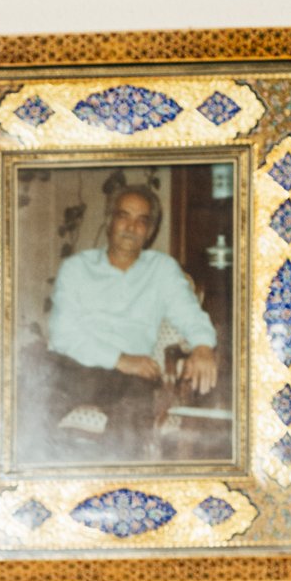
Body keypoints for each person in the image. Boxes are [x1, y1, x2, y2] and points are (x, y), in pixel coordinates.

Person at [43, 186, 217, 445]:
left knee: (136, 406)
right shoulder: (77, 268)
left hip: (128, 380)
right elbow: (61, 332)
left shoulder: (162, 270)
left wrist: (203, 346)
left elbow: (189, 313)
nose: (131, 227)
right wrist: (119, 359)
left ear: (149, 231)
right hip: (73, 367)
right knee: (28, 385)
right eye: (124, 216)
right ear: (109, 220)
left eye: (142, 221)